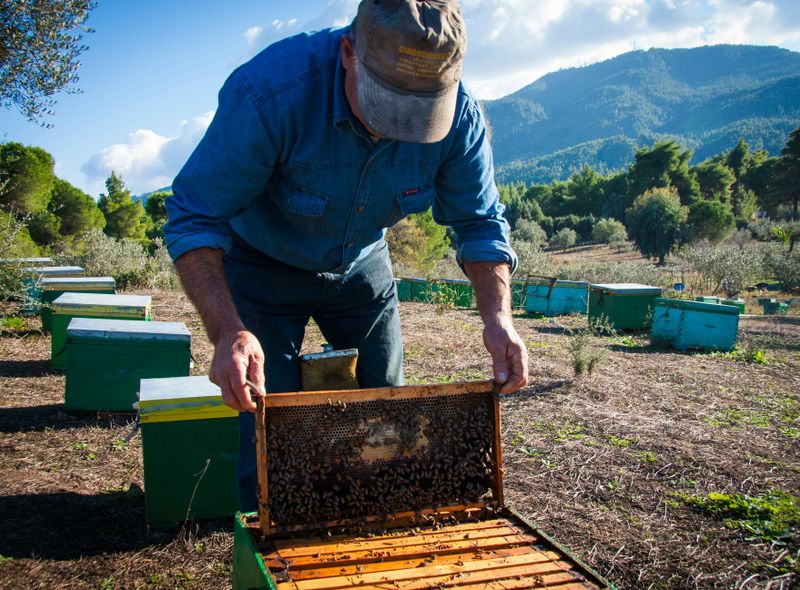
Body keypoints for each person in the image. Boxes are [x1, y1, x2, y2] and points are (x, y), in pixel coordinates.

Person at [164, 0, 529, 512]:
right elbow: (194, 216)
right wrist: (228, 331)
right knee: (268, 423)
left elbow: (480, 221)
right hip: (261, 265)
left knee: (389, 415)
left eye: (419, 110)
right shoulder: (270, 94)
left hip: (362, 264)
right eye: (385, 101)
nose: (396, 126)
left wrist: (499, 318)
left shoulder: (463, 118)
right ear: (348, 53)